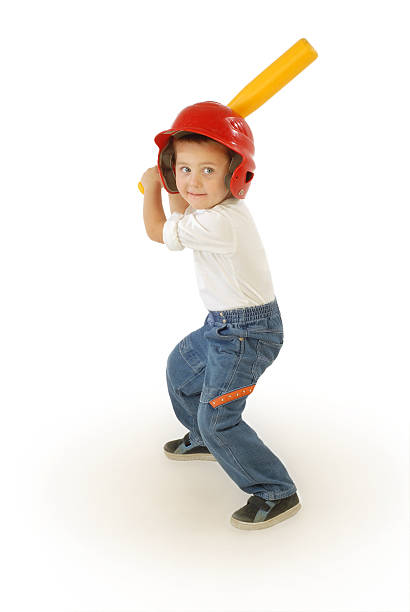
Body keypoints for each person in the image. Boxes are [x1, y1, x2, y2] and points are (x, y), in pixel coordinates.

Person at [140, 101, 301, 530]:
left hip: (249, 334)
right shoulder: (208, 212)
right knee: (180, 371)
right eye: (184, 168)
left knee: (219, 418)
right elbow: (180, 218)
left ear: (235, 175)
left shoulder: (222, 222)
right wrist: (169, 179)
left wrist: (152, 185)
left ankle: (275, 491)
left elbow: (158, 231)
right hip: (221, 326)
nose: (193, 181)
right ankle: (205, 440)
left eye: (208, 170)